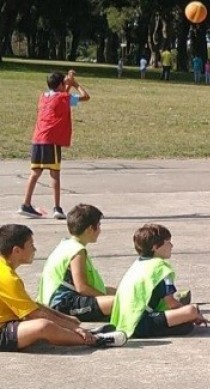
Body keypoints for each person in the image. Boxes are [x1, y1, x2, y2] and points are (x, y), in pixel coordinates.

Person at [0, 224, 126, 352]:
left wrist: (66, 319)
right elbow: (33, 314)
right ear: (16, 250)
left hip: (10, 321)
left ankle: (82, 333)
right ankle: (95, 339)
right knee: (44, 326)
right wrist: (73, 328)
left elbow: (32, 305)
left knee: (54, 322)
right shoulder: (7, 277)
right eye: (31, 245)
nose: (35, 249)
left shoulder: (4, 268)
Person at [110, 224, 208, 338]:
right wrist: (195, 314)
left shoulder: (139, 263)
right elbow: (171, 303)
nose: (172, 245)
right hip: (140, 323)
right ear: (155, 247)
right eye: (168, 242)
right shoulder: (161, 268)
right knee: (191, 310)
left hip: (124, 321)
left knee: (186, 318)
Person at [18, 70, 90, 220]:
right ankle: (57, 207)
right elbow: (86, 96)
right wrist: (74, 83)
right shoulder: (64, 98)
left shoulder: (43, 97)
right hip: (51, 141)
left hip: (38, 139)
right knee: (55, 174)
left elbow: (62, 98)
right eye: (64, 83)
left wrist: (66, 84)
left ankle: (25, 204)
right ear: (60, 85)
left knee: (35, 173)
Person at [37, 204, 115, 322]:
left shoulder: (66, 244)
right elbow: (82, 288)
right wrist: (105, 298)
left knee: (120, 291)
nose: (100, 229)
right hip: (63, 305)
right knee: (119, 302)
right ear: (90, 229)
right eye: (98, 225)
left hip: (57, 301)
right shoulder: (77, 251)